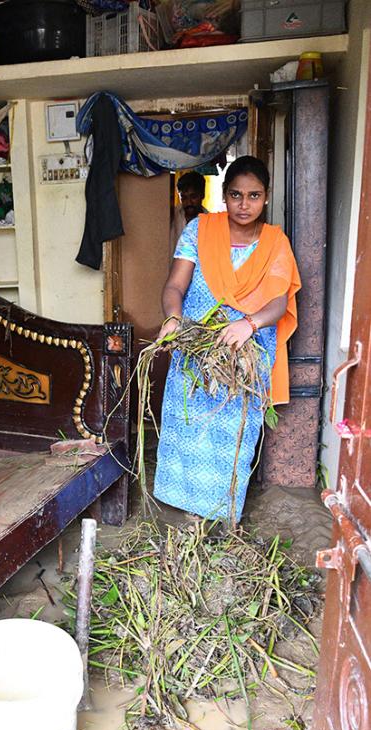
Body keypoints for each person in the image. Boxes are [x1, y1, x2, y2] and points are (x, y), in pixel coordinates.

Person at [154, 155, 301, 522]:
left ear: (266, 197)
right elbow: (175, 285)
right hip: (196, 347)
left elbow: (279, 301)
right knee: (189, 424)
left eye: (254, 195)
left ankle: (221, 512)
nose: (244, 204)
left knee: (230, 431)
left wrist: (248, 324)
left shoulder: (274, 242)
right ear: (224, 195)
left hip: (244, 354)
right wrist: (174, 318)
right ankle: (189, 510)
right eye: (236, 195)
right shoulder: (199, 230)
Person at [170, 170, 207, 251]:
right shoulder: (172, 215)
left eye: (193, 197)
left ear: (203, 195)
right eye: (184, 197)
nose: (188, 202)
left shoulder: (210, 223)